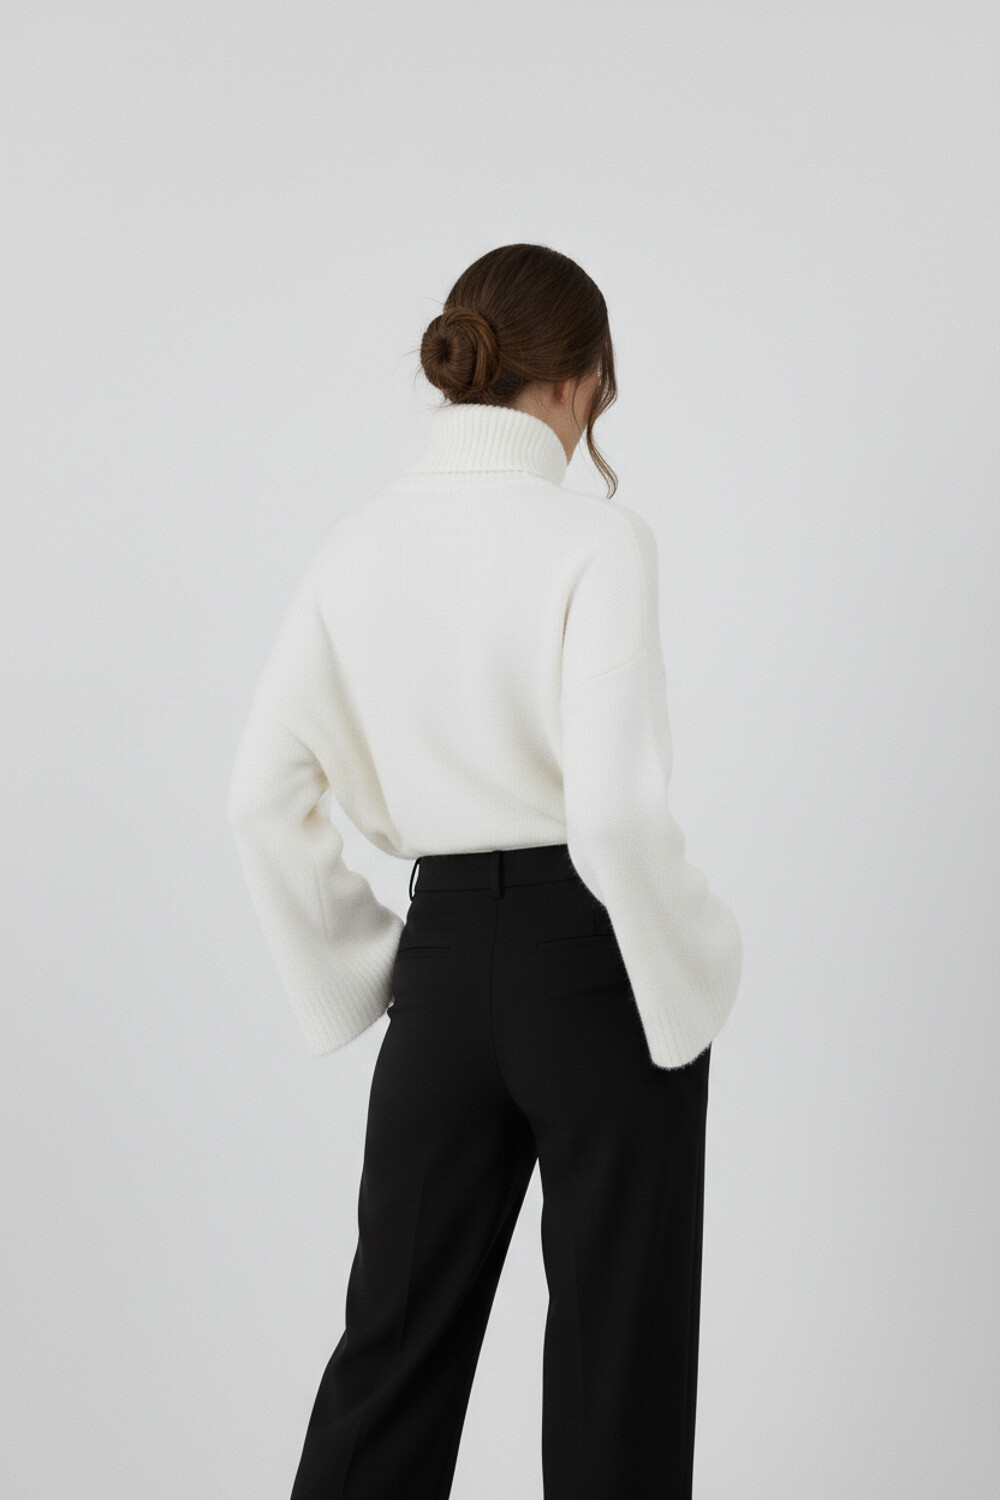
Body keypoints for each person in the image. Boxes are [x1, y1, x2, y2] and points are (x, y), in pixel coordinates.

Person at [227, 242, 743, 1500]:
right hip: (594, 968)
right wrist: (699, 965)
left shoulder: (352, 547)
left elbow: (259, 796)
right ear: (581, 379)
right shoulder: (598, 541)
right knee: (617, 1376)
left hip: (443, 969)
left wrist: (374, 970)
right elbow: (612, 817)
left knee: (391, 1360)